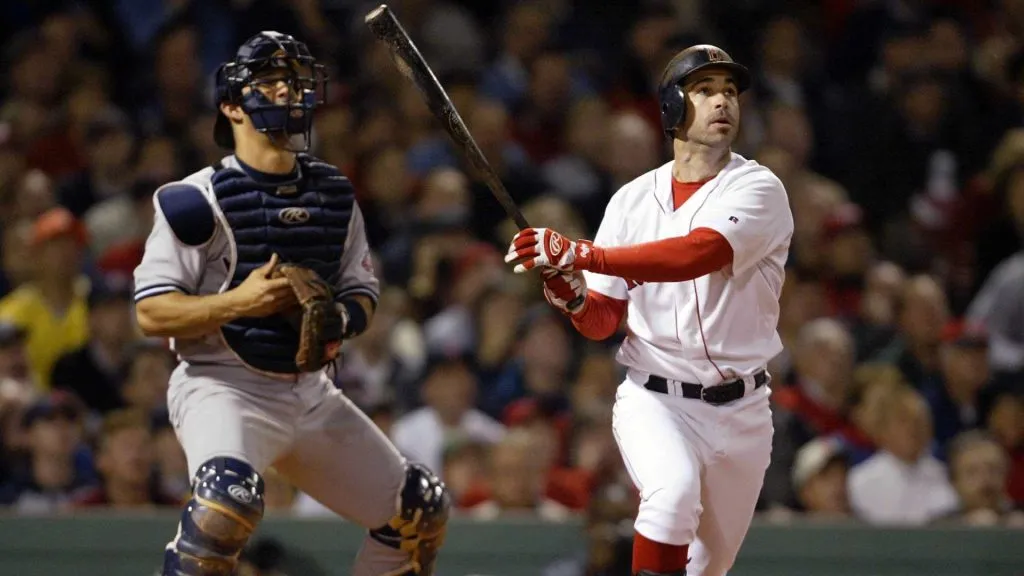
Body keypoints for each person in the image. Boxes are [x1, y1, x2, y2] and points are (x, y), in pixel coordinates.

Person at [132, 31, 449, 576]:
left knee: (419, 512)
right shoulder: (194, 199)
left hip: (311, 390)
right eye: (271, 83)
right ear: (231, 105)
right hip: (222, 386)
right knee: (223, 508)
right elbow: (151, 312)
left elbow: (361, 290)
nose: (288, 93)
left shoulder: (334, 192)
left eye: (296, 83)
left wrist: (339, 319)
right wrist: (240, 301)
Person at [506, 45, 793, 576]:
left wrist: (582, 253)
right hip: (655, 399)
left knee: (708, 568)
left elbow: (697, 253)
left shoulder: (759, 188)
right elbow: (601, 322)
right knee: (671, 496)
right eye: (704, 90)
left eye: (729, 91)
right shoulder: (631, 202)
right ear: (670, 106)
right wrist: (569, 293)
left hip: (744, 411)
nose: (722, 101)